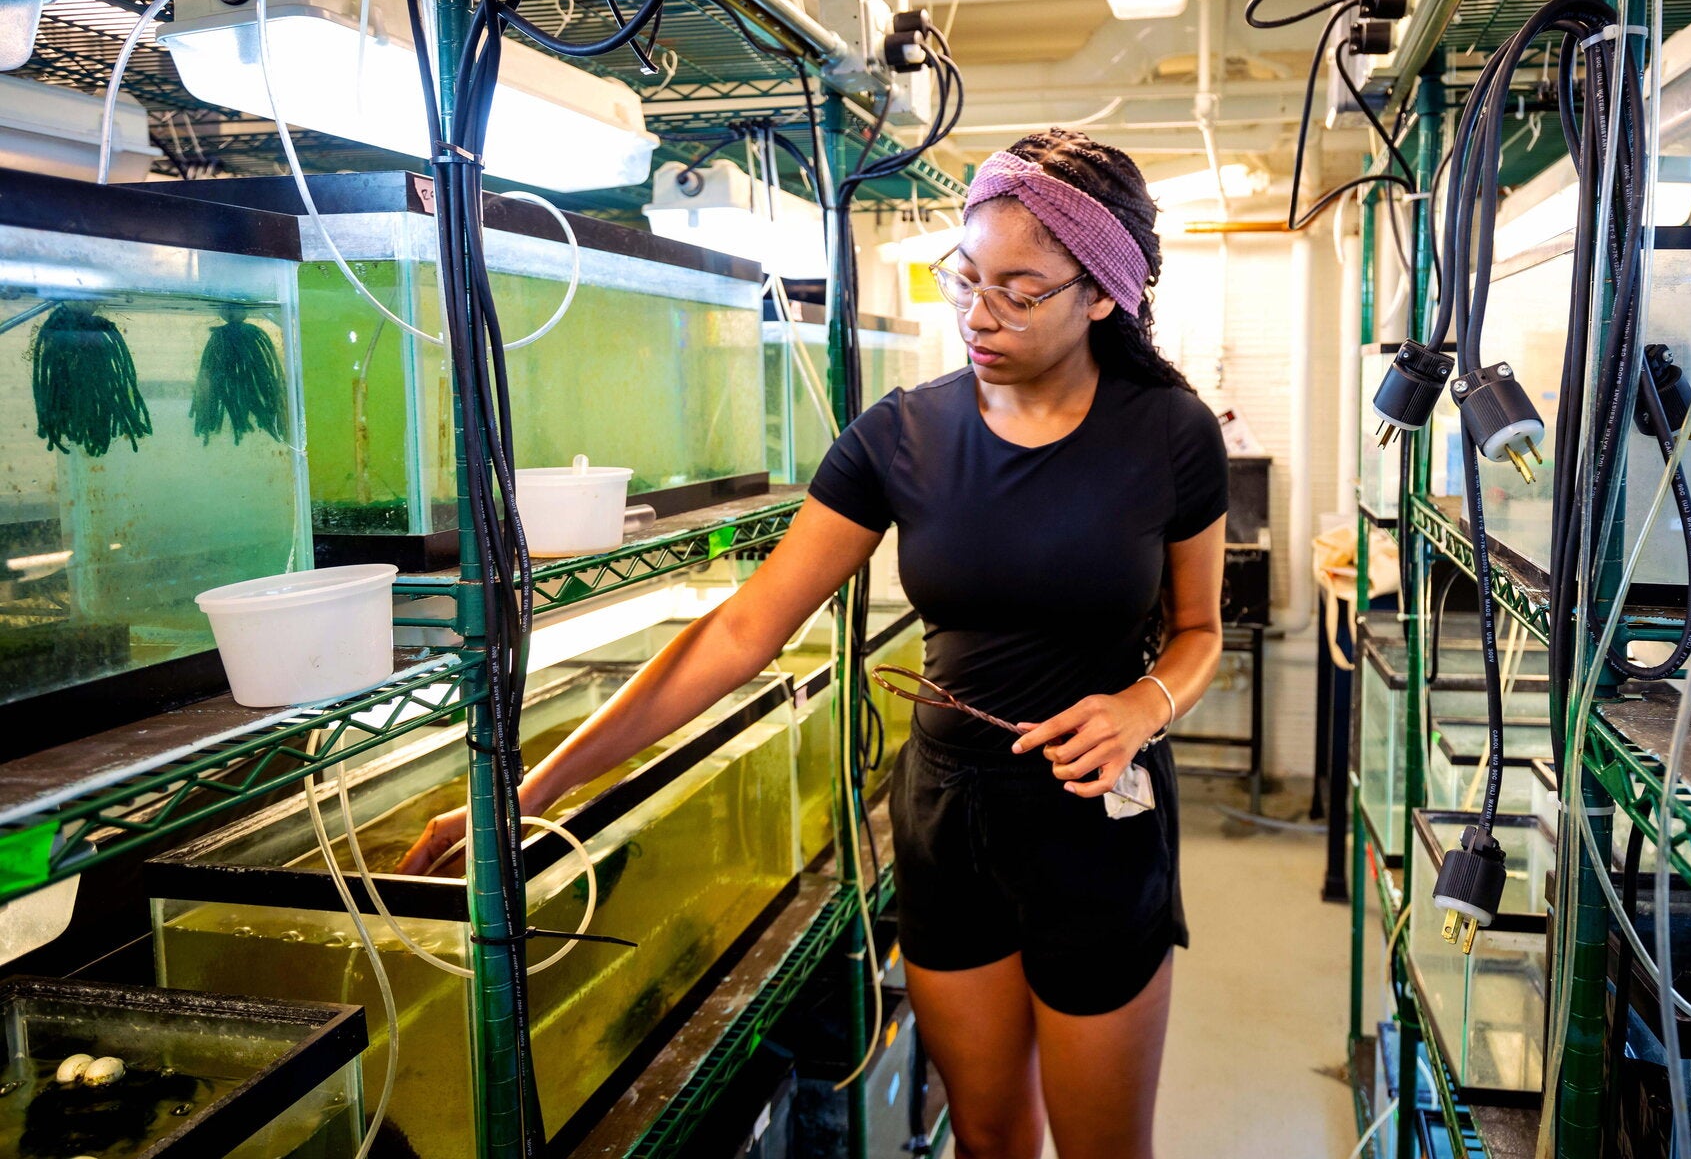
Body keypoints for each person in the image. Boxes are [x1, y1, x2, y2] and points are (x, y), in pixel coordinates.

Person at [398, 127, 1227, 1159]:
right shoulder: (903, 435)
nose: (979, 312)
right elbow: (740, 629)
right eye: (967, 276)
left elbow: (1198, 632)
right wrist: (529, 791)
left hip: (1096, 824)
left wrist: (1143, 704)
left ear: (1104, 293)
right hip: (946, 822)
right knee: (987, 1136)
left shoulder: (1170, 432)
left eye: (1021, 289)